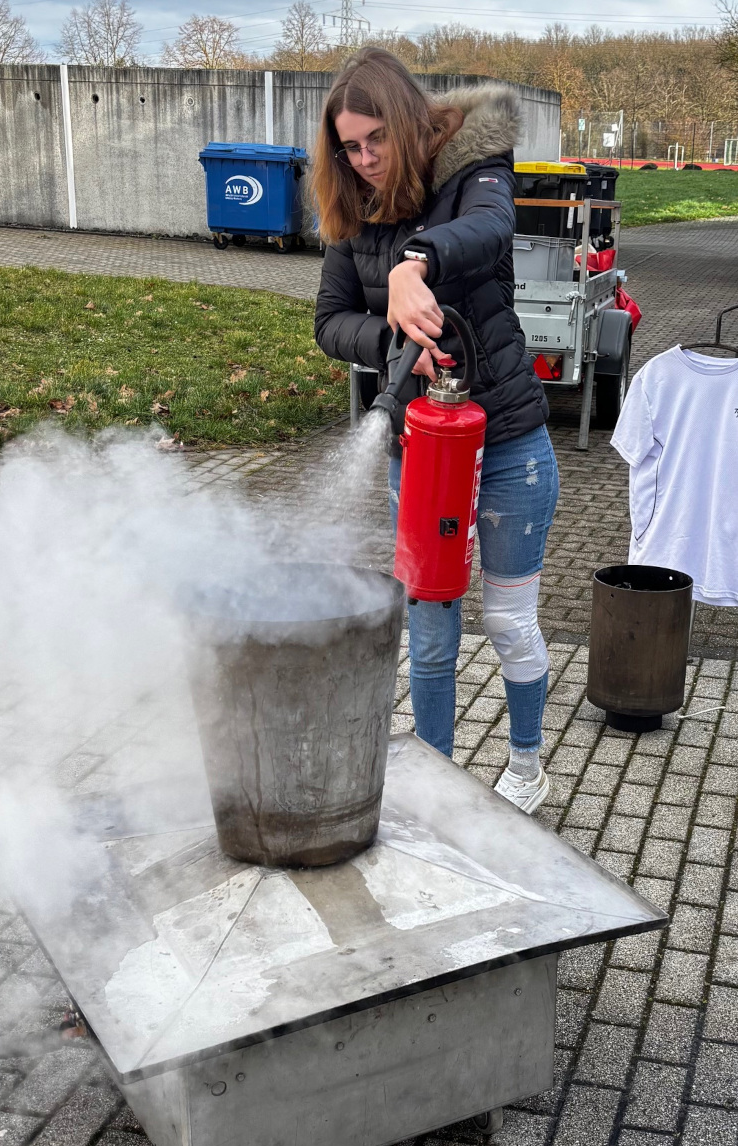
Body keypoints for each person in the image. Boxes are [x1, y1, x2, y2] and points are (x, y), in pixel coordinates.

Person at [311, 48, 559, 814]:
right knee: (430, 627)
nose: (365, 159)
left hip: (510, 440)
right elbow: (329, 323)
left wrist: (415, 263)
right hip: (417, 453)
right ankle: (432, 786)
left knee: (509, 620)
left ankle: (526, 766)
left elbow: (489, 228)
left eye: (376, 138)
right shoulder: (352, 214)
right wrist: (394, 346)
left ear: (410, 120)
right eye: (349, 146)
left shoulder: (473, 170)